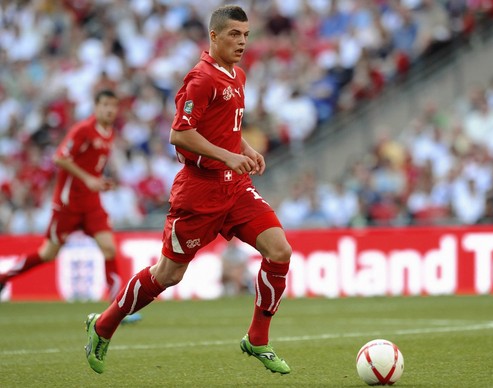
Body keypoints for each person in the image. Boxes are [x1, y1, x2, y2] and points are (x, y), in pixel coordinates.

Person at [84, 5, 292, 375]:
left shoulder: (237, 75)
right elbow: (179, 133)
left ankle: (257, 339)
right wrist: (227, 156)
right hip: (199, 193)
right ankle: (104, 324)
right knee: (168, 275)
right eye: (234, 35)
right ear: (214, 36)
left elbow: (224, 128)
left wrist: (244, 150)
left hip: (236, 189)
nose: (242, 41)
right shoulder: (200, 79)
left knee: (279, 251)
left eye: (245, 35)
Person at [0, 90, 140, 323]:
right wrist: (87, 179)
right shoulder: (83, 130)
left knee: (109, 248)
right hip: (68, 203)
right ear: (96, 107)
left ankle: (117, 310)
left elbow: (92, 166)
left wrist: (98, 181)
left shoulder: (110, 133)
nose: (109, 110)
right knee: (48, 253)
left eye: (113, 106)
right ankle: (3, 277)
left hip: (91, 203)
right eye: (105, 105)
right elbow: (59, 158)